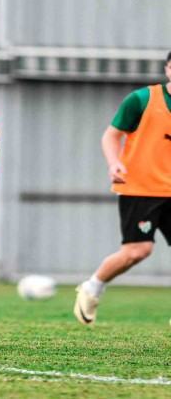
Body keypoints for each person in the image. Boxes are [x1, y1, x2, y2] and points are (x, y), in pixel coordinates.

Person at [74, 52, 171, 325]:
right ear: (167, 69)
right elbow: (111, 135)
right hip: (141, 188)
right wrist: (114, 163)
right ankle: (93, 287)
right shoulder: (142, 99)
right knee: (137, 251)